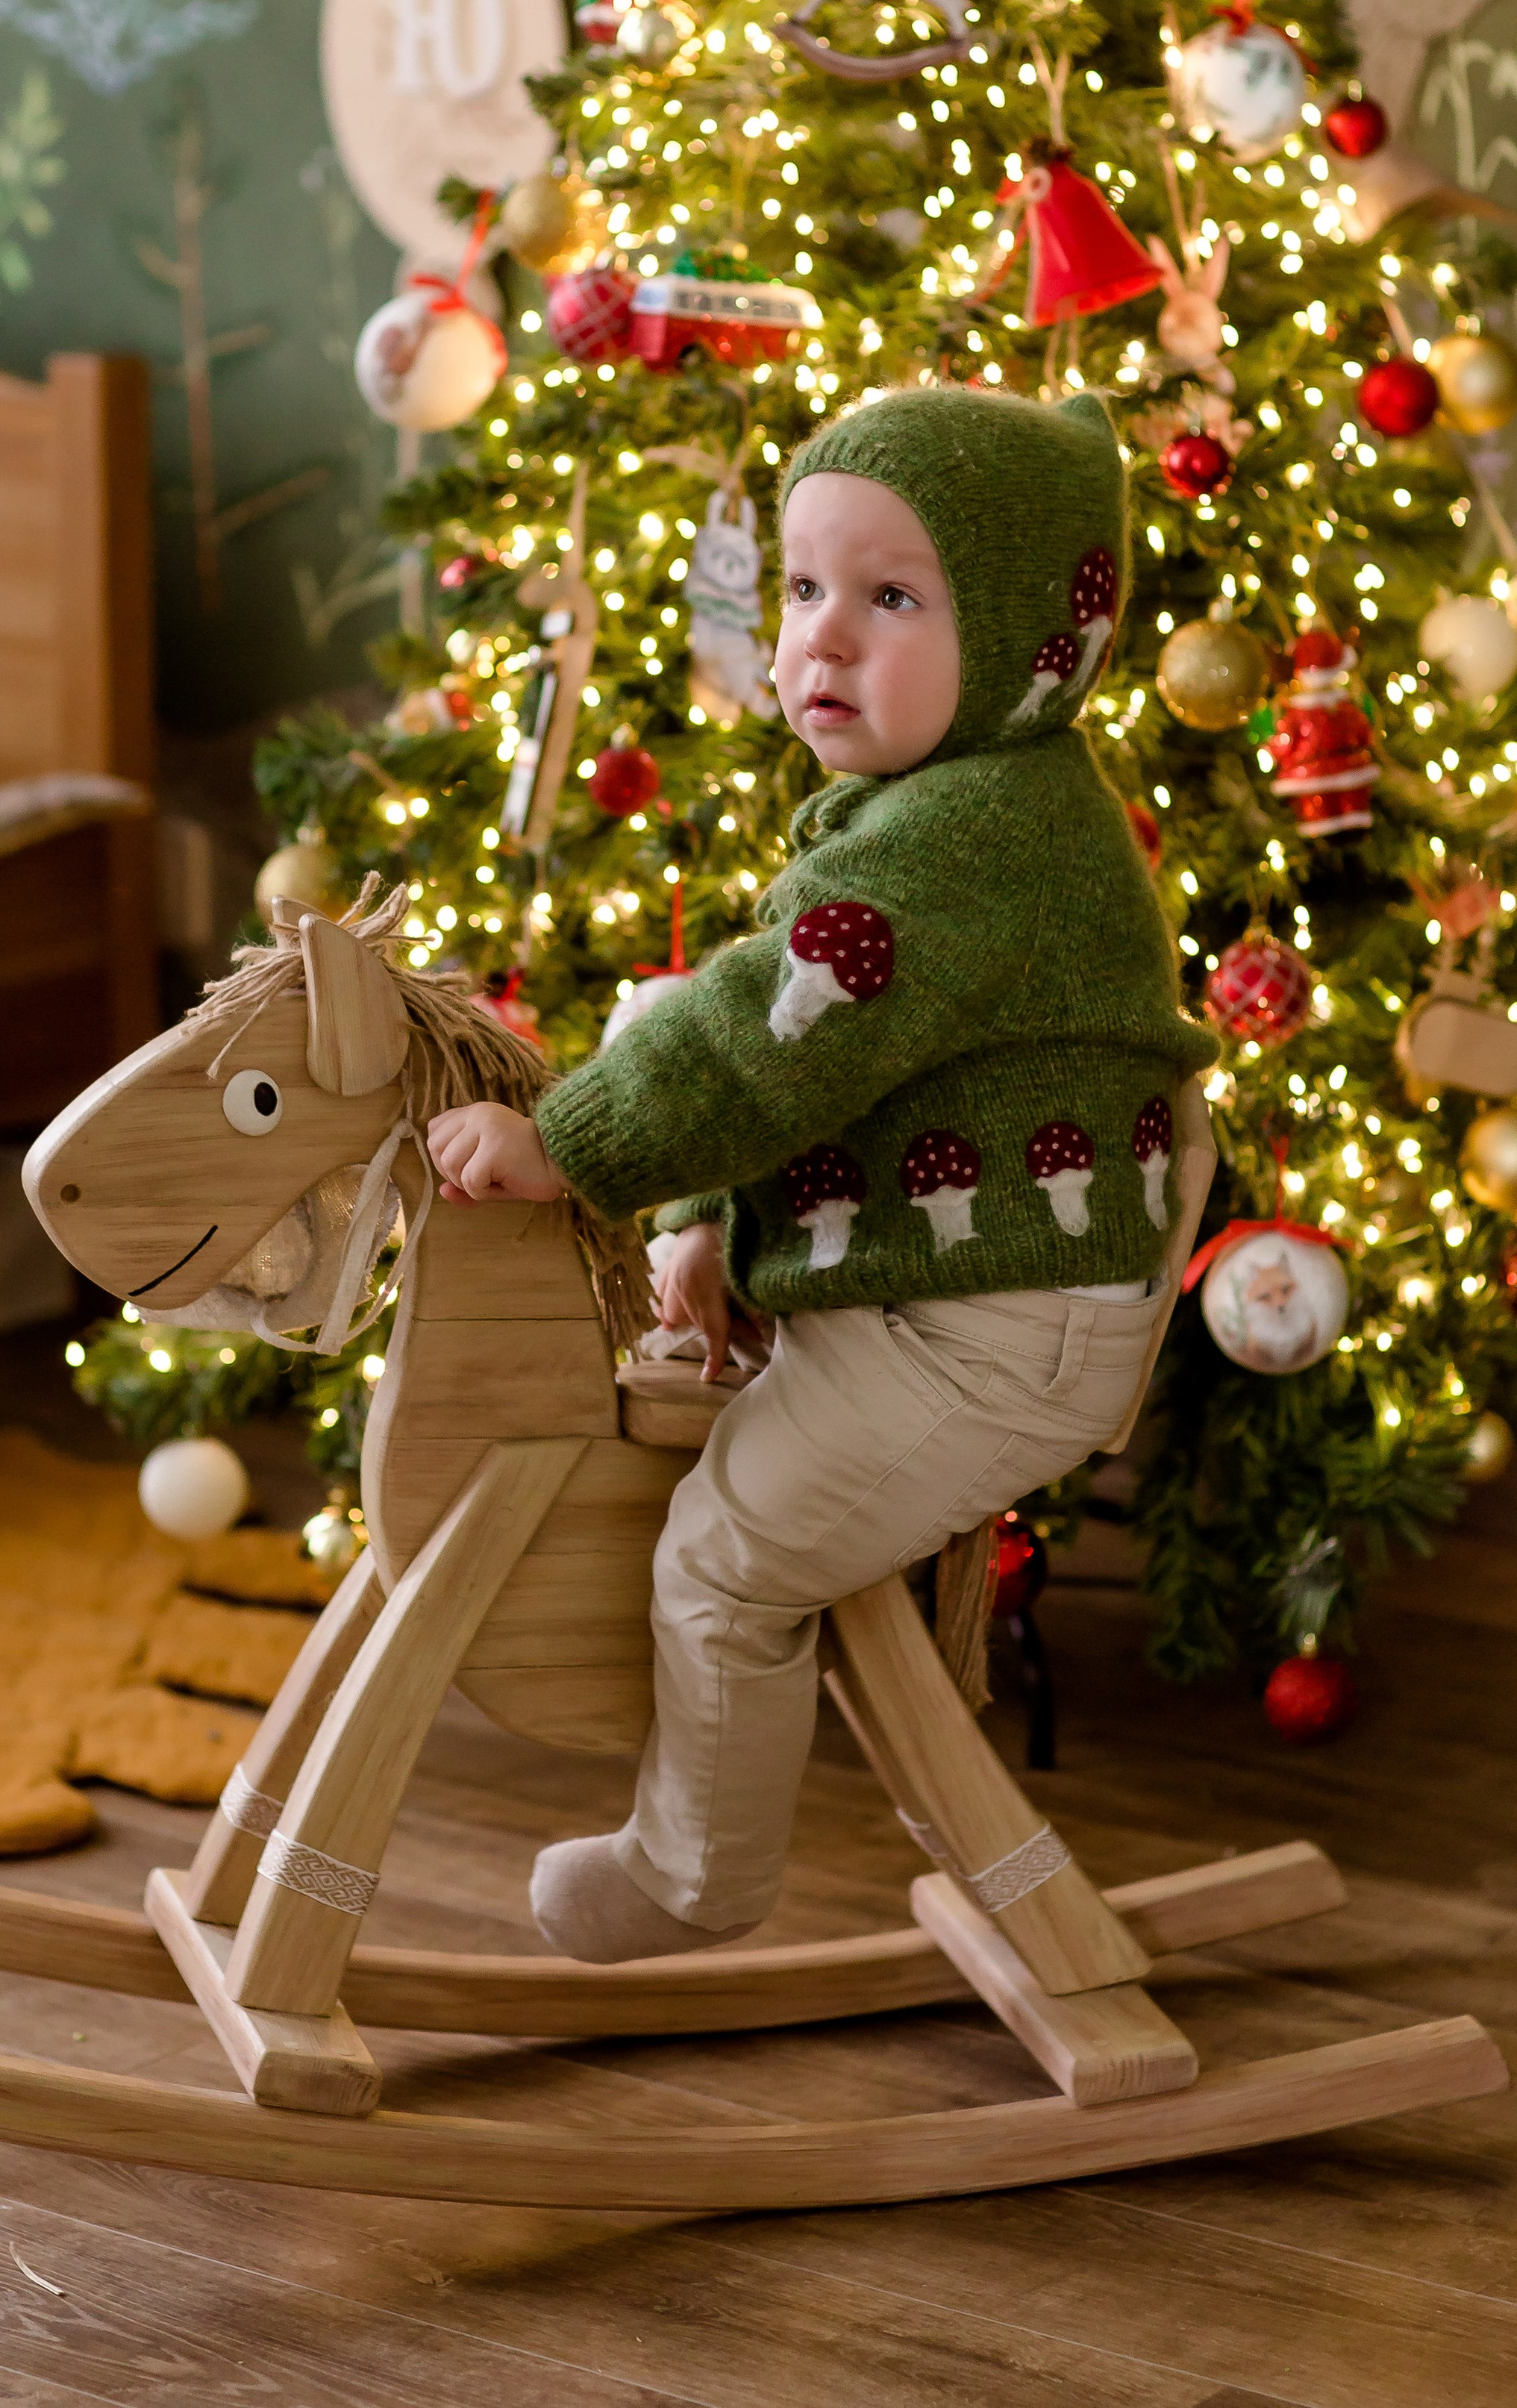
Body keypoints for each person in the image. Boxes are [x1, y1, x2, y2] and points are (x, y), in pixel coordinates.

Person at [428, 385, 1216, 1966]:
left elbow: (767, 1037)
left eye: (892, 598)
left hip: (993, 1332)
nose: (822, 641)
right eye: (801, 588)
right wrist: (708, 1222)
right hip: (934, 1291)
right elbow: (819, 1054)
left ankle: (693, 1877)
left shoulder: (977, 834)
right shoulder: (933, 802)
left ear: (1032, 643)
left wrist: (568, 1146)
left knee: (724, 1564)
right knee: (664, 1025)